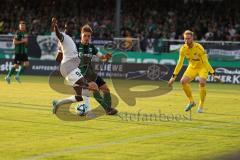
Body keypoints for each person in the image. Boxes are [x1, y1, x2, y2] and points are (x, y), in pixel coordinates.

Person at [51, 18, 97, 114]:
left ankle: (58, 103)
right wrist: (55, 26)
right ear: (66, 28)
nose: (73, 29)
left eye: (74, 28)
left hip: (70, 68)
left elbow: (57, 58)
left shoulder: (69, 40)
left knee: (80, 96)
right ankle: (87, 109)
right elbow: (58, 35)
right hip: (69, 67)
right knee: (86, 84)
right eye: (71, 28)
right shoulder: (64, 36)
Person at [168, 30, 219, 113]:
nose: (186, 41)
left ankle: (201, 105)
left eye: (188, 39)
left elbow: (206, 62)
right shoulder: (183, 49)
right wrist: (173, 77)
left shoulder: (199, 48)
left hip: (202, 67)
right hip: (192, 67)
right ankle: (191, 102)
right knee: (183, 81)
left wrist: (213, 74)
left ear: (192, 38)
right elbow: (180, 63)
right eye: (185, 39)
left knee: (202, 82)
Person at [77, 24, 118, 115]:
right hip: (82, 74)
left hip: (91, 73)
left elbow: (102, 57)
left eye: (89, 36)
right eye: (85, 36)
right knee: (94, 88)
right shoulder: (76, 46)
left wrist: (106, 57)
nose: (87, 38)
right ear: (81, 35)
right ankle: (108, 109)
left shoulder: (92, 47)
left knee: (106, 89)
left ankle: (109, 109)